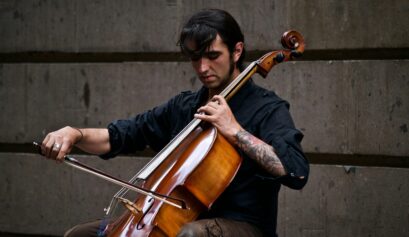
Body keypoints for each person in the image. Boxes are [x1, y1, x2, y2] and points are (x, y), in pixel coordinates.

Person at [40, 9, 309, 237]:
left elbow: (295, 171)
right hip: (177, 219)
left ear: (236, 51)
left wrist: (234, 130)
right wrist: (74, 134)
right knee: (80, 235)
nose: (203, 67)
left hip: (242, 226)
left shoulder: (267, 108)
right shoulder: (186, 107)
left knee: (190, 234)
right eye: (195, 58)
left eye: (213, 56)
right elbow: (122, 135)